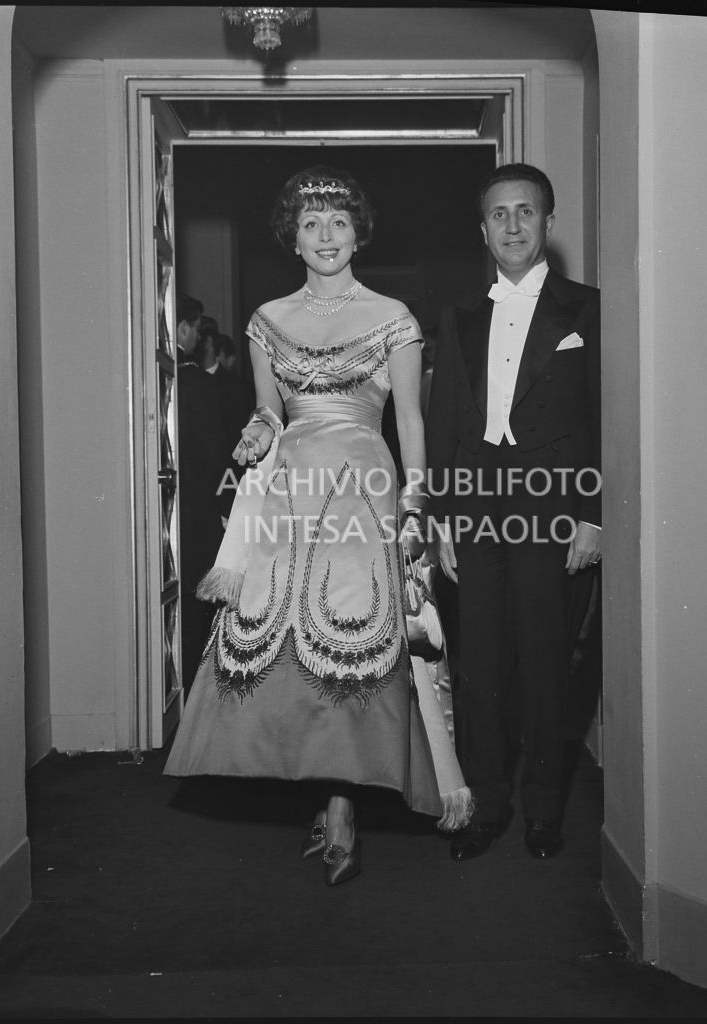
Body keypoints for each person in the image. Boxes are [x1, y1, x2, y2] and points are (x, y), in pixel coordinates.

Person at [164, 165, 471, 886]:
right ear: (292, 238)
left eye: (339, 222)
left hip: (365, 491)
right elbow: (270, 411)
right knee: (285, 646)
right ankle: (323, 790)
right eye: (311, 224)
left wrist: (418, 505)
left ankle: (341, 808)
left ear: (359, 233)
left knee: (354, 637)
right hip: (290, 494)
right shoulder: (267, 321)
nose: (326, 235)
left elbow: (411, 421)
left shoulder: (394, 316)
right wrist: (256, 431)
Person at [425, 162, 601, 861]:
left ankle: (543, 812)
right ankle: (486, 805)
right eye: (499, 214)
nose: (513, 225)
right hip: (472, 508)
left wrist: (592, 515)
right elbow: (443, 423)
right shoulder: (461, 319)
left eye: (525, 211)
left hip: (551, 506)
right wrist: (440, 518)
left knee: (546, 661)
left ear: (548, 223)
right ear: (483, 230)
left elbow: (602, 418)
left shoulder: (586, 309)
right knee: (480, 665)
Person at [175, 294, 226, 686]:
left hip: (168, 510)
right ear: (183, 329)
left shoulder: (154, 378)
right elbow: (216, 457)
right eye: (194, 328)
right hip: (198, 514)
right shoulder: (198, 385)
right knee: (199, 608)